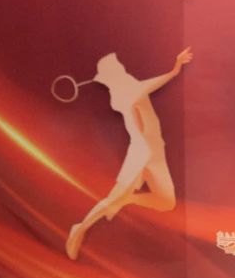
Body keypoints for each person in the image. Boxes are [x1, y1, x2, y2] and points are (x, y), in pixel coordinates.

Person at [65, 47, 192, 261]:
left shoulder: (127, 90)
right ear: (114, 76)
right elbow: (150, 85)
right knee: (114, 196)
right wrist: (174, 70)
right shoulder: (127, 93)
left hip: (155, 151)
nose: (124, 70)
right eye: (119, 69)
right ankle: (80, 227)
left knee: (166, 201)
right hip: (141, 153)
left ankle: (127, 199)